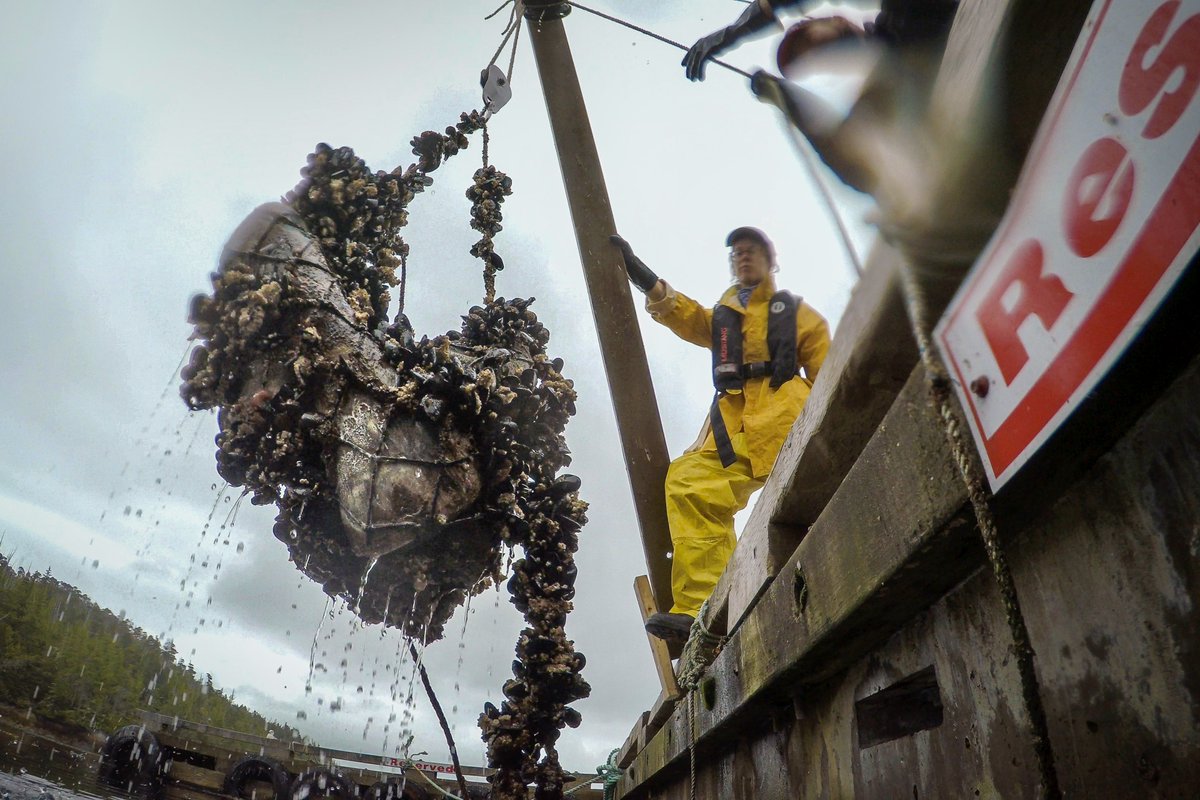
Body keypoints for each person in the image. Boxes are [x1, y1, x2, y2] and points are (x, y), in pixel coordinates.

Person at [611, 228, 831, 641]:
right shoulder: (724, 316)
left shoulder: (799, 315)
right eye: (737, 253)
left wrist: (827, 430)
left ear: (771, 259)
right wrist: (640, 274)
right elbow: (686, 314)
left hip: (787, 416)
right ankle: (704, 606)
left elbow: (828, 374)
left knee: (812, 501)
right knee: (689, 483)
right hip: (733, 425)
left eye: (752, 251)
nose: (743, 258)